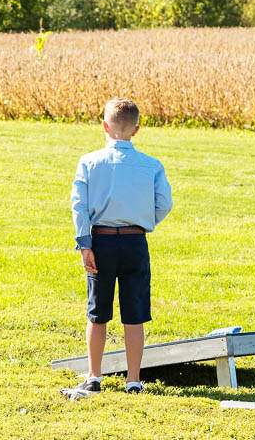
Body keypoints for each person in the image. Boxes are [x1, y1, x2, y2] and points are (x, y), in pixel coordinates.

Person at [62, 98, 173, 398]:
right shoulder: (152, 165)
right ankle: (133, 380)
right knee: (134, 314)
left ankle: (94, 376)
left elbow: (79, 207)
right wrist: (143, 220)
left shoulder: (88, 162)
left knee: (97, 312)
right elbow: (165, 204)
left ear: (104, 126)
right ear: (137, 130)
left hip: (101, 242)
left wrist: (84, 244)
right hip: (135, 242)